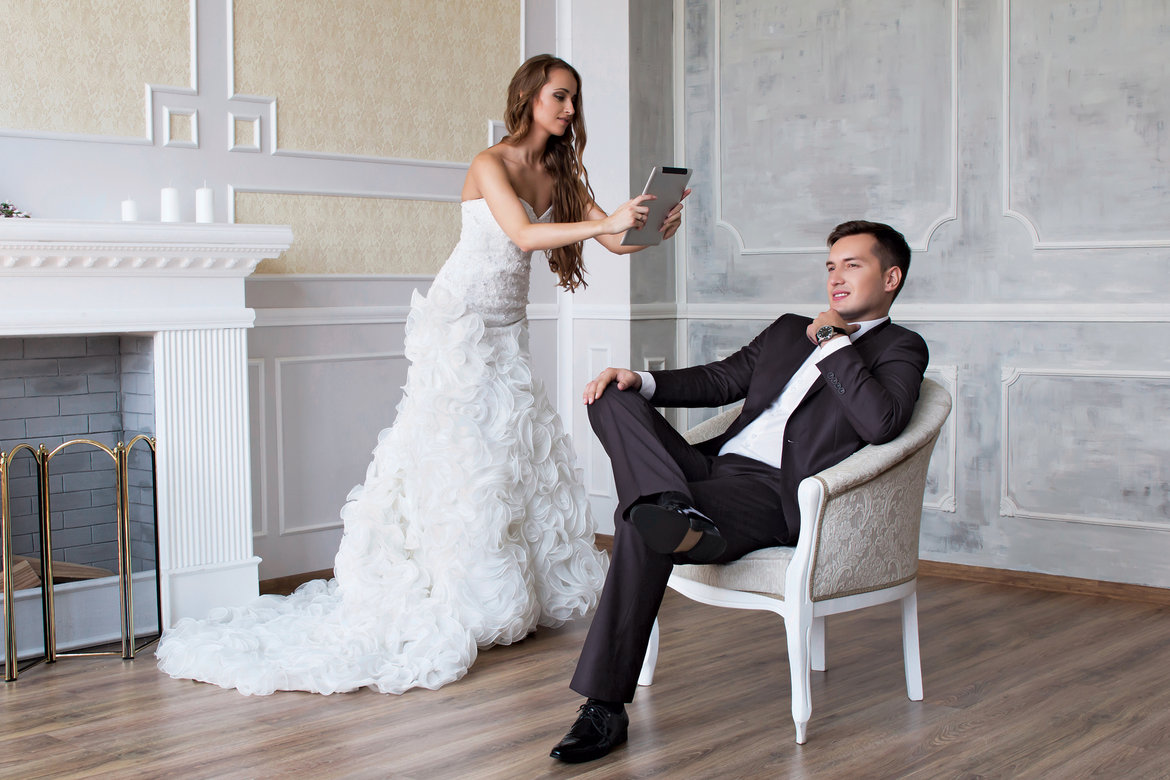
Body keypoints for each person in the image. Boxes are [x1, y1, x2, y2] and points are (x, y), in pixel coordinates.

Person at [156, 54, 686, 696]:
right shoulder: (490, 164)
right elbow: (519, 236)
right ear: (528, 97)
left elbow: (613, 244)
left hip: (507, 327)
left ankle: (497, 592)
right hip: (458, 319)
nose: (570, 110)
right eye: (559, 96)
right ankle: (445, 588)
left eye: (575, 99)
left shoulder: (559, 169)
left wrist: (651, 228)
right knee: (455, 453)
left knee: (506, 453)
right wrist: (605, 219)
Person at [549, 220, 929, 763]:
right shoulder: (785, 331)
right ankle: (670, 506)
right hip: (707, 471)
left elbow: (882, 423)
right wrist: (642, 380)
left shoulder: (899, 348)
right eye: (830, 266)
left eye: (852, 265)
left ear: (891, 277)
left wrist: (833, 342)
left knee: (637, 521)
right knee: (611, 396)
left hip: (772, 493)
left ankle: (603, 707)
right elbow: (719, 380)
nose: (835, 278)